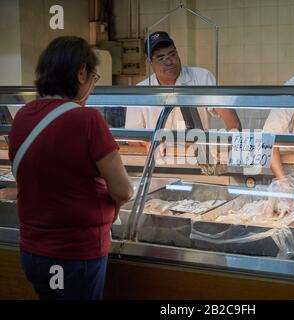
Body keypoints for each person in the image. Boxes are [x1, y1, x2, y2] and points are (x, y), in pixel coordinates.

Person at [8, 36, 133, 300]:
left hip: (32, 252)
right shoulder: (87, 119)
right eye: (94, 77)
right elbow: (123, 190)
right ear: (80, 73)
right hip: (75, 255)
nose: (92, 86)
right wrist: (113, 213)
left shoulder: (22, 117)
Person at [125, 31, 241, 132]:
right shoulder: (141, 90)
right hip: (158, 155)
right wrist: (149, 144)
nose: (169, 62)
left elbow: (232, 120)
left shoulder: (201, 77)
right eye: (161, 58)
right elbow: (132, 135)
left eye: (172, 54)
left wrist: (233, 147)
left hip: (197, 153)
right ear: (150, 62)